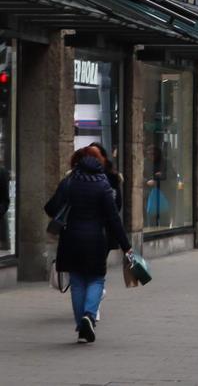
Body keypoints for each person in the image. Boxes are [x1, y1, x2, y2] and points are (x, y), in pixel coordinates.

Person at [45, 146, 133, 343]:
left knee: (77, 282)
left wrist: (64, 212)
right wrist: (126, 246)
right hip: (96, 240)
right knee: (96, 279)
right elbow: (113, 219)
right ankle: (89, 316)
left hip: (70, 239)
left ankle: (81, 327)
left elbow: (50, 207)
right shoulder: (102, 185)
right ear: (98, 168)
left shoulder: (68, 183)